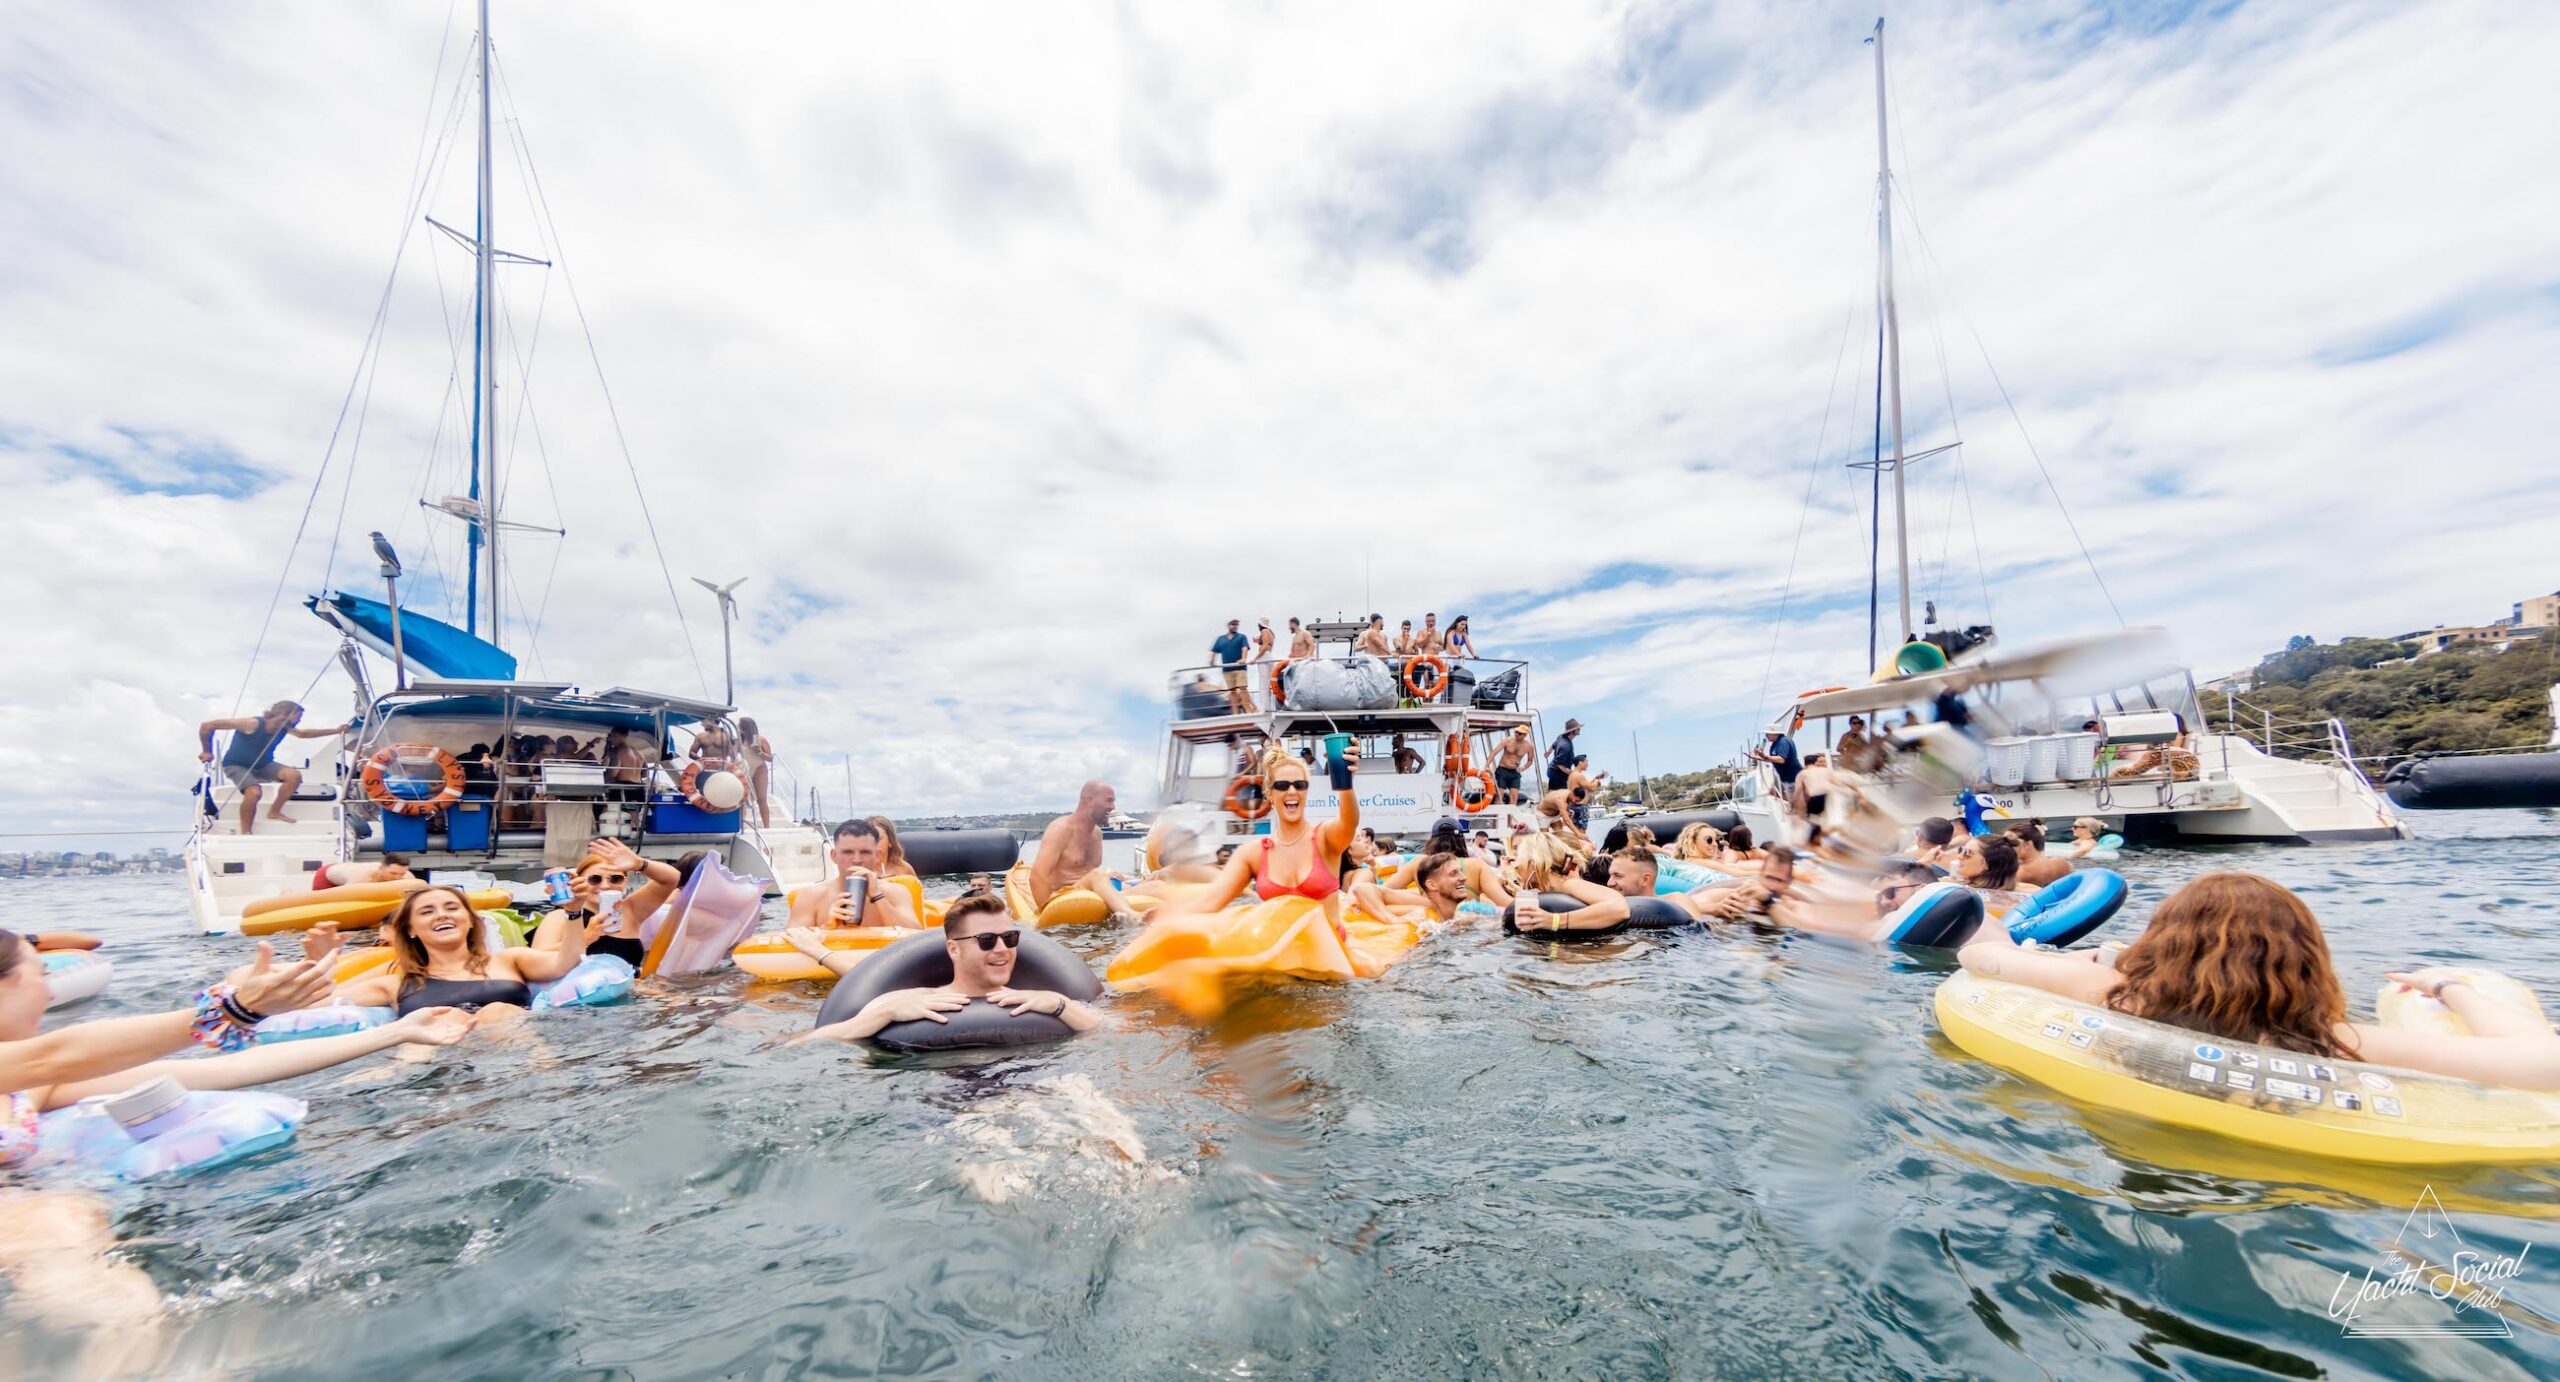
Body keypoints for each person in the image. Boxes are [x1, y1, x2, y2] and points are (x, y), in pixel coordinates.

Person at [0, 930, 471, 1327]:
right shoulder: (41, 1067)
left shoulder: (31, 1090)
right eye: (41, 975)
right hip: (38, 1220)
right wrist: (234, 1008)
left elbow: (230, 1071)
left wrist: (395, 1033)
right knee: (61, 1218)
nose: (49, 991)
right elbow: (59, 1052)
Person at [1959, 872, 2560, 1088]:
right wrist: (2447, 987)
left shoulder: (2119, 1000)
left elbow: (1983, 961)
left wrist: (2109, 963)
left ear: (2164, 943)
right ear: (2305, 958)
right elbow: (2543, 1063)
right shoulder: (2334, 1042)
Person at [794, 895, 1105, 1042]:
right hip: (952, 1098)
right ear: (953, 949)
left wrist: (1059, 1004)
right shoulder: (904, 1000)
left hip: (1035, 1080)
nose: (1002, 949)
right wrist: (885, 1015)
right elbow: (808, 1042)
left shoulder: (1039, 998)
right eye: (986, 940)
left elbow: (1111, 1028)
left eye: (1010, 938)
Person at [1152, 745, 1362, 942]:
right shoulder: (1253, 853)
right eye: (1282, 786)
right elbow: (1212, 901)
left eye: (1299, 785)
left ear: (1306, 791)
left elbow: (1349, 821)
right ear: (1269, 793)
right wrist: (1169, 916)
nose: (1291, 791)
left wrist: (1346, 783)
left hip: (1329, 952)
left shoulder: (1326, 838)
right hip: (1280, 951)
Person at [332, 885, 601, 1015]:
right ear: (410, 929)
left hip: (512, 1052)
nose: (441, 916)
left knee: (498, 1012)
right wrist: (320, 961)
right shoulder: (396, 981)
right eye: (427, 911)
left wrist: (574, 912)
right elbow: (321, 1002)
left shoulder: (509, 960)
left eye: (452, 908)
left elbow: (565, 963)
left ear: (471, 920)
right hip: (433, 1057)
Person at [197, 701, 342, 834]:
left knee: (294, 776)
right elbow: (207, 726)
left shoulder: (284, 728)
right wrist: (206, 750)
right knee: (254, 793)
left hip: (264, 765)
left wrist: (336, 730)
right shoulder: (252, 724)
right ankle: (246, 832)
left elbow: (304, 734)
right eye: (298, 716)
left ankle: (274, 811)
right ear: (285, 714)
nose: (299, 720)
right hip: (236, 765)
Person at [1028, 782, 1139, 925]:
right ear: (1090, 800)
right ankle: (1131, 915)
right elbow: (1037, 876)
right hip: (1066, 896)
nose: (1113, 807)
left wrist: (1112, 876)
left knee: (1151, 883)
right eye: (1109, 800)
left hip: (1094, 891)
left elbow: (1088, 870)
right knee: (1097, 875)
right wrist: (1045, 915)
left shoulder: (1097, 834)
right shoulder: (1061, 829)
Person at [788, 819, 924, 930]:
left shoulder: (896, 892)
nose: (857, 859)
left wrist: (878, 896)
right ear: (834, 856)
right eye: (848, 852)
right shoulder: (811, 896)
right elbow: (791, 945)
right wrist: (827, 927)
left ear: (877, 855)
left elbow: (915, 935)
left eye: (865, 852)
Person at [1951, 833, 2027, 915]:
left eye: (1967, 853)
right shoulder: (2023, 895)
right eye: (1961, 850)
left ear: (1986, 864)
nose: (1959, 856)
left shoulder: (1969, 900)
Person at [2005, 820, 2072, 887]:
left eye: (2010, 842)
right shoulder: (2061, 863)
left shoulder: (2020, 872)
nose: (2004, 845)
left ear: (2027, 845)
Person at [736, 716, 775, 827]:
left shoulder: (760, 739)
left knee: (762, 799)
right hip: (746, 770)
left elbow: (770, 758)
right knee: (741, 799)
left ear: (745, 727)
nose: (738, 727)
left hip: (759, 770)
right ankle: (740, 825)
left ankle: (766, 826)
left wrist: (759, 752)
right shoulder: (739, 740)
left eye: (740, 726)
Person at [1211, 619, 1252, 714]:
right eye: (1233, 624)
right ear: (1228, 625)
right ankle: (1235, 713)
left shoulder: (1241, 637)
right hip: (1227, 669)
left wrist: (1243, 658)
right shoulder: (1221, 639)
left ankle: (1249, 711)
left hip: (1240, 668)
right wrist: (1212, 661)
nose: (1235, 626)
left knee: (1243, 689)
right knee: (1232, 691)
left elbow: (1245, 648)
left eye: (1236, 624)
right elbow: (1215, 651)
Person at [1749, 726, 1801, 792]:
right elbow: (1773, 759)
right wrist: (1756, 757)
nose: (1766, 735)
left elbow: (1781, 760)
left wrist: (1764, 756)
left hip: (1793, 779)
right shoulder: (1775, 743)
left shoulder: (1783, 742)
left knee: (1794, 800)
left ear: (1775, 734)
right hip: (1784, 779)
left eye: (1768, 734)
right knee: (1772, 792)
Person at [1492, 726, 1533, 805]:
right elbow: (1494, 752)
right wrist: (1486, 766)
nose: (1517, 734)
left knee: (1514, 799)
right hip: (1502, 770)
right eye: (1516, 732)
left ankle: (1510, 817)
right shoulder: (1508, 740)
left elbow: (1530, 760)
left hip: (1515, 772)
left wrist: (1523, 768)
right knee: (1499, 797)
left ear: (1525, 735)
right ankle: (1495, 817)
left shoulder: (1529, 746)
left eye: (1519, 733)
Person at [1792, 751, 1833, 821]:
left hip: (1815, 798)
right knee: (1829, 820)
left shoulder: (1802, 774)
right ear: (1816, 763)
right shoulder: (1825, 771)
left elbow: (1797, 794)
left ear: (1804, 765)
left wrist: (1792, 806)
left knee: (1813, 823)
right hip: (1829, 797)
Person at [1546, 719, 1582, 793]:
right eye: (1578, 728)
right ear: (1572, 731)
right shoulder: (1566, 746)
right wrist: (1573, 773)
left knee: (1552, 795)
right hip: (1558, 774)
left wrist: (1548, 752)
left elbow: (1554, 744)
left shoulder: (1561, 737)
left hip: (1553, 771)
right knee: (1562, 797)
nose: (1580, 729)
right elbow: (1560, 765)